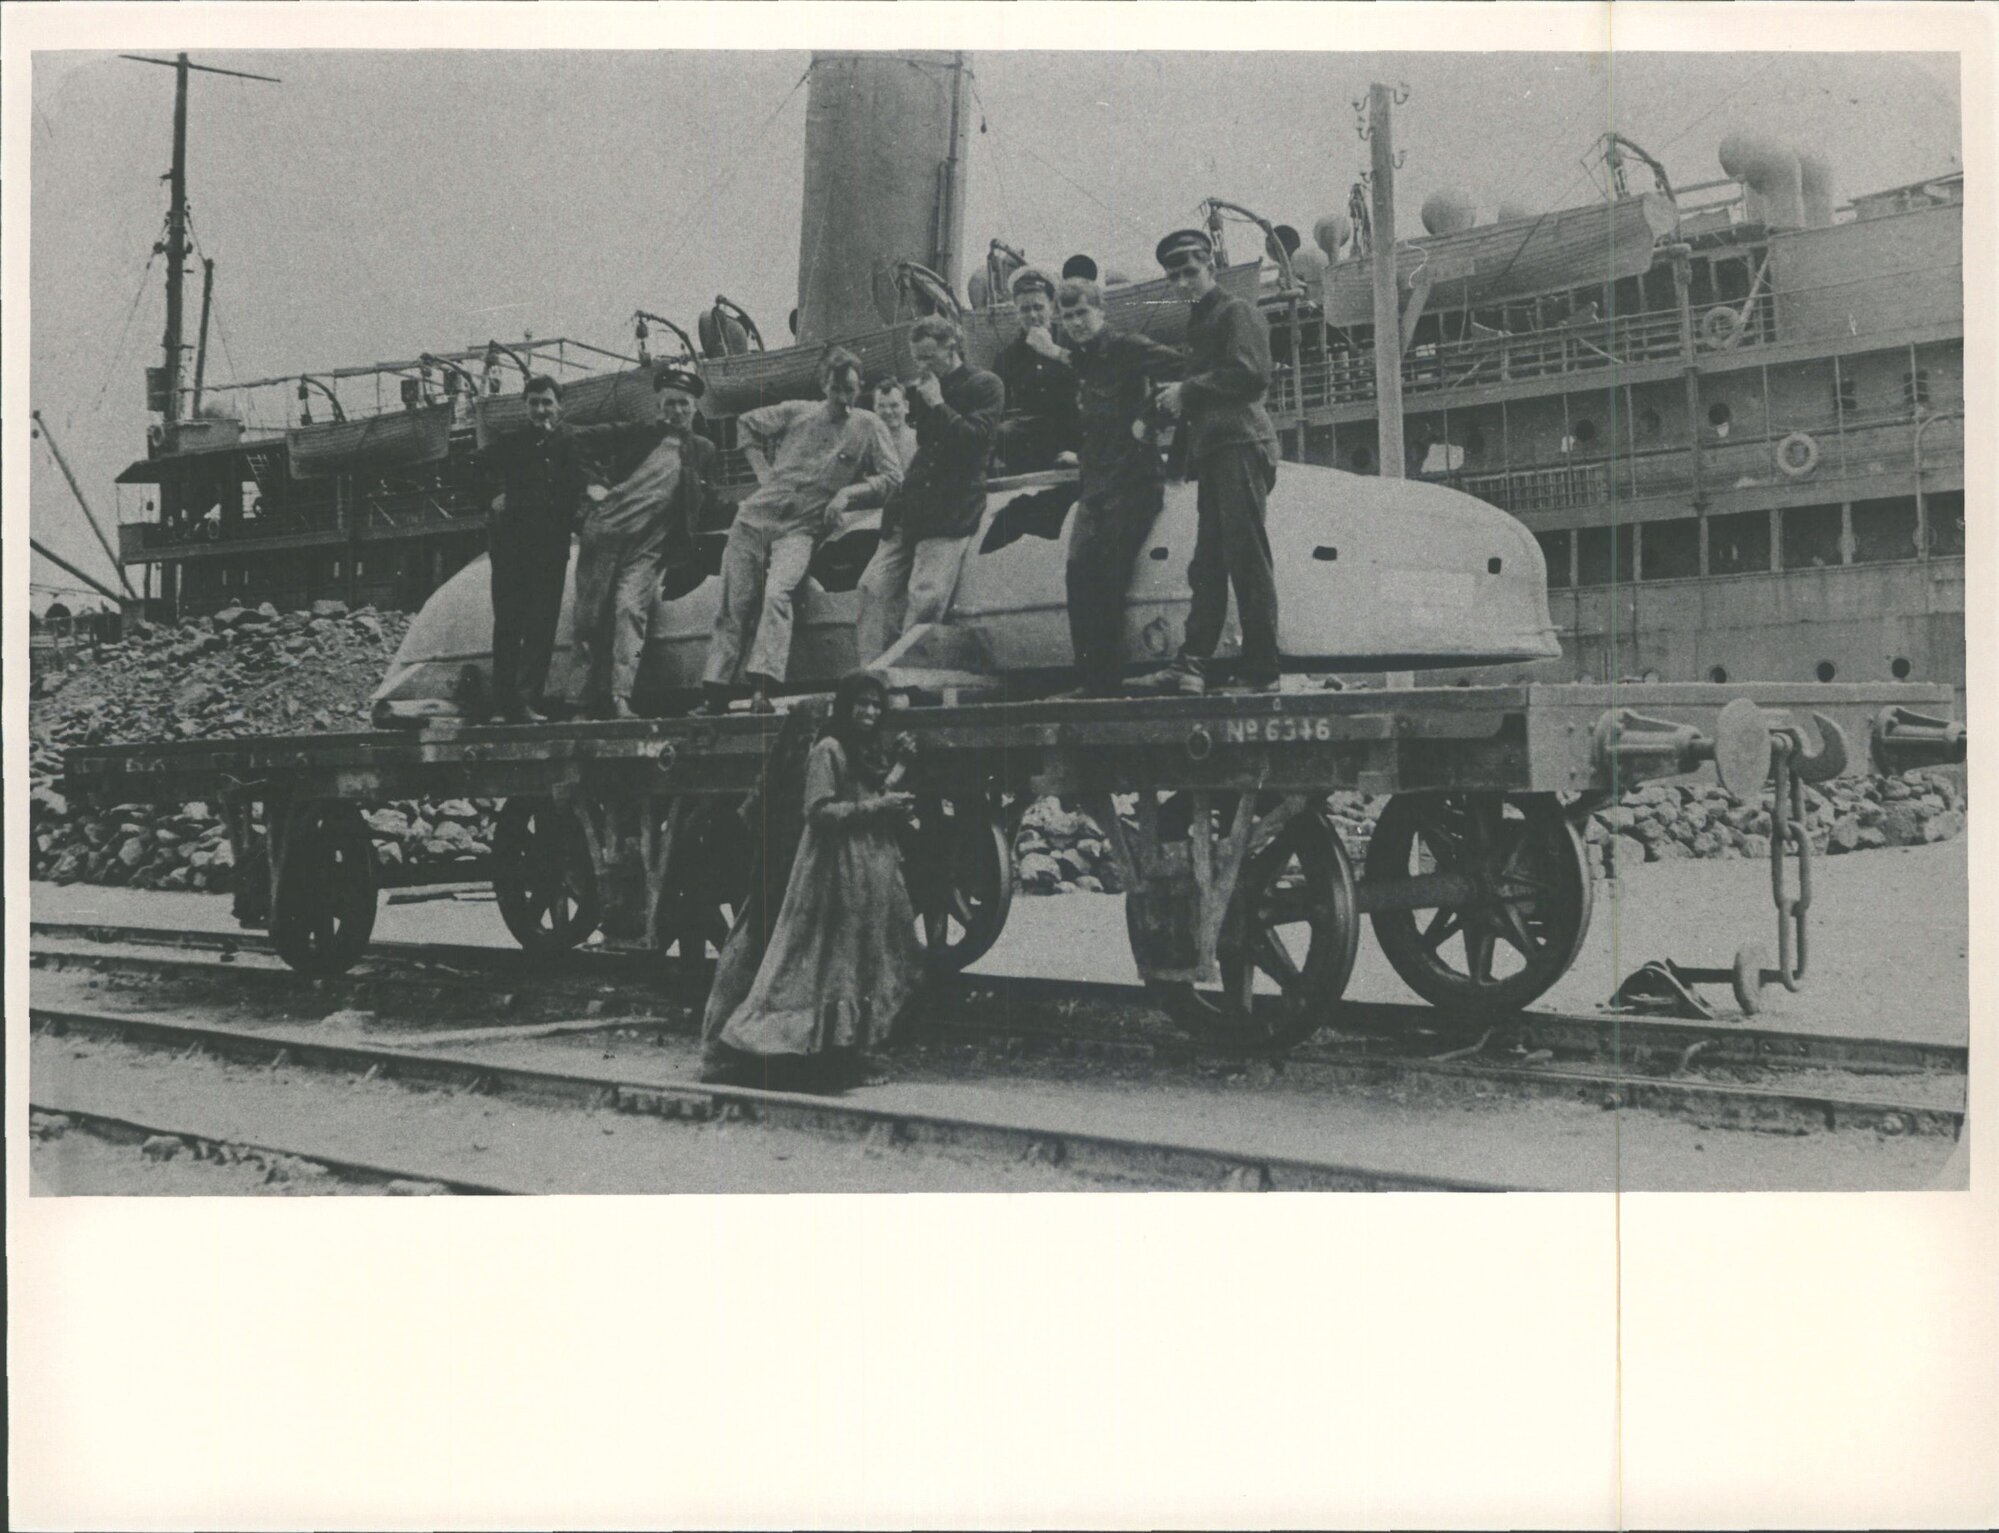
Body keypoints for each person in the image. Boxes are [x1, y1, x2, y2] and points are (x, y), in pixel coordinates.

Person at [700, 670, 925, 1088]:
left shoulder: (854, 750)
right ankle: (736, 1053)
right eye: (862, 704)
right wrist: (880, 808)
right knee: (812, 965)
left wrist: (898, 772)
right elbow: (820, 810)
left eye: (877, 706)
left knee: (846, 965)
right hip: (821, 871)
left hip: (850, 872)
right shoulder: (826, 750)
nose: (870, 713)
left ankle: (839, 1057)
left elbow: (864, 794)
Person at [699, 349, 902, 715]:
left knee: (778, 594)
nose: (844, 398)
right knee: (734, 605)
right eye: (837, 389)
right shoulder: (798, 412)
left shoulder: (867, 426)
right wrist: (764, 475)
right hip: (753, 522)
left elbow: (892, 477)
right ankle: (713, 695)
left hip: (800, 529)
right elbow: (745, 424)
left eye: (851, 390)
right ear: (825, 385)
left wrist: (847, 494)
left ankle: (762, 689)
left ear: (861, 388)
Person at [1127, 228, 1283, 696]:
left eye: (1189, 272)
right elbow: (1201, 386)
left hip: (1240, 445)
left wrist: (1187, 391)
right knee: (1209, 563)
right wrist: (1157, 412)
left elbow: (1252, 374)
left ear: (1210, 266)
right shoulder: (1199, 323)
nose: (1182, 283)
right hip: (1215, 451)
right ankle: (1191, 664)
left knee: (1246, 559)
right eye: (1174, 276)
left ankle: (1263, 671)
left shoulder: (1236, 311)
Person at [1053, 276, 1185, 696]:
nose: (1075, 322)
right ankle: (1091, 680)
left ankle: (1105, 683)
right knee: (1078, 574)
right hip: (1096, 486)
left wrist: (1152, 417)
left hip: (1134, 483)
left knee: (1109, 575)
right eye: (1068, 315)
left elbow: (1184, 371)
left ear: (1101, 311)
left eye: (1082, 313)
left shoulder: (1127, 348)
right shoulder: (1082, 361)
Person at [854, 316, 1005, 666]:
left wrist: (938, 404)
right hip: (914, 506)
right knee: (871, 587)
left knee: (926, 596)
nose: (922, 365)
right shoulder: (923, 388)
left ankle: (903, 675)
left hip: (952, 506)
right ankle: (870, 676)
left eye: (928, 357)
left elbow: (976, 441)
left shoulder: (986, 385)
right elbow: (926, 447)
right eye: (917, 358)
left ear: (951, 348)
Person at [569, 366, 719, 718]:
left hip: (648, 548)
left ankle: (621, 697)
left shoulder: (703, 450)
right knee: (589, 620)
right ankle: (579, 702)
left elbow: (710, 502)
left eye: (684, 404)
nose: (677, 412)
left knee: (629, 612)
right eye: (670, 404)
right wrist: (593, 483)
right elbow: (577, 441)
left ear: (695, 408)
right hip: (605, 534)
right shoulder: (636, 434)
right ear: (658, 406)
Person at [479, 374, 589, 722]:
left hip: (551, 548)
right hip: (510, 548)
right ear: (524, 406)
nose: (540, 410)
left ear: (560, 406)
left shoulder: (572, 442)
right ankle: (501, 705)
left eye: (547, 403)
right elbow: (469, 469)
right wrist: (493, 496)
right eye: (533, 403)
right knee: (508, 624)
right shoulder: (511, 443)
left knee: (541, 626)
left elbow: (584, 483)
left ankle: (526, 701)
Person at [991, 266, 1081, 472]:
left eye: (1038, 307)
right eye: (1024, 309)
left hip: (1076, 432)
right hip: (1033, 444)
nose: (1032, 315)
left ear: (1052, 306)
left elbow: (1098, 372)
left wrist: (1053, 351)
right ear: (1016, 311)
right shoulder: (1008, 357)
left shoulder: (1073, 340)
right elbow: (995, 407)